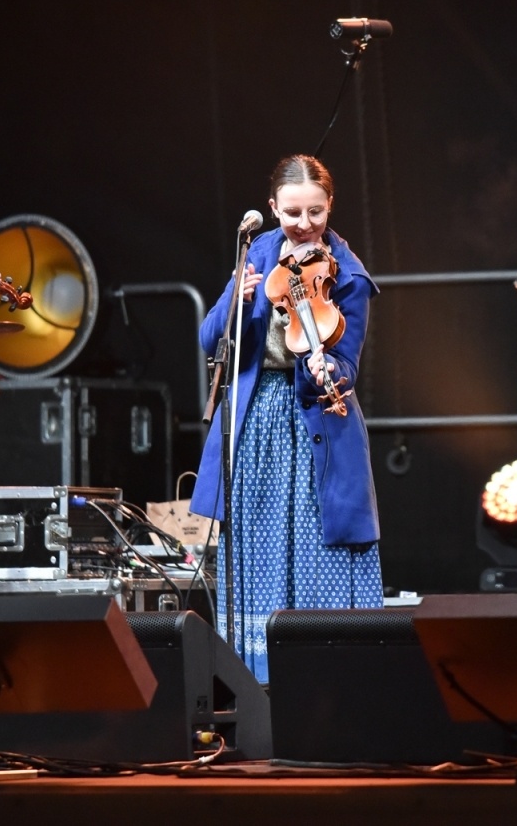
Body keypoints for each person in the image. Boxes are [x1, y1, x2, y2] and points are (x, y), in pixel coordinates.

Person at [190, 154, 382, 682]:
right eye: (293, 212)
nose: (304, 225)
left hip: (315, 420)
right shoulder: (257, 253)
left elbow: (347, 365)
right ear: (273, 208)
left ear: (329, 206)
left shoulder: (350, 275)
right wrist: (236, 296)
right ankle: (256, 683)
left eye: (315, 212)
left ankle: (324, 679)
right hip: (255, 422)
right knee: (256, 545)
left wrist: (327, 368)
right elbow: (211, 340)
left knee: (318, 546)